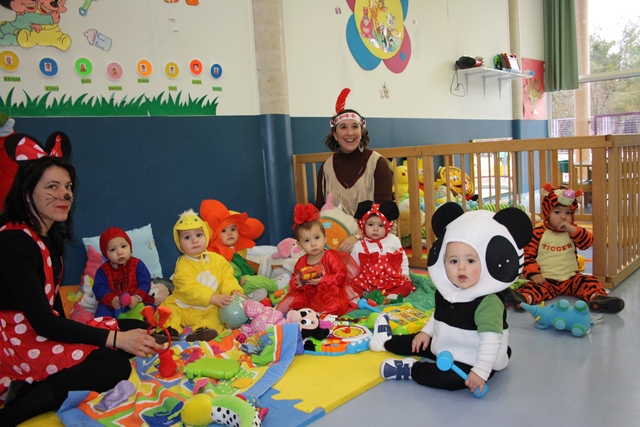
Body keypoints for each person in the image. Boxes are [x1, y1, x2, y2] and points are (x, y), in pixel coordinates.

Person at [0, 132, 161, 426]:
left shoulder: (48, 237)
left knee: (136, 325)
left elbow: (54, 311)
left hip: (42, 330)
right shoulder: (13, 242)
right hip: (17, 342)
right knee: (113, 364)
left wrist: (109, 335)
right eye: (52, 187)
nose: (64, 195)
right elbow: (43, 322)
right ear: (26, 192)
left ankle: (43, 380)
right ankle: (14, 412)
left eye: (68, 187)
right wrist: (114, 339)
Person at [369, 203, 532, 395]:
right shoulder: (448, 290)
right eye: (454, 261)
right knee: (417, 342)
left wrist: (480, 371)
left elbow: (490, 340)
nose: (461, 268)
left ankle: (411, 370)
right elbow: (439, 315)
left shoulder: (487, 301)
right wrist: (426, 333)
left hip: (472, 358)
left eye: (470, 261)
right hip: (446, 343)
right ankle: (387, 341)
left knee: (453, 379)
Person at [502, 184, 625, 314]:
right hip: (546, 280)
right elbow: (527, 255)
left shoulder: (573, 231)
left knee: (589, 281)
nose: (563, 217)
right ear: (547, 212)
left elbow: (587, 243)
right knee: (534, 289)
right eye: (557, 212)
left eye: (568, 213)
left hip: (572, 278)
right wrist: (533, 274)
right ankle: (522, 299)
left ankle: (598, 299)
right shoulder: (538, 233)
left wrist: (573, 230)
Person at [314, 88, 393, 252]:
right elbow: (320, 211)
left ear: (361, 131)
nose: (349, 133)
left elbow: (383, 212)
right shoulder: (326, 168)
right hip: (336, 240)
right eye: (343, 127)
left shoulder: (378, 163)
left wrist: (357, 236)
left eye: (354, 127)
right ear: (335, 134)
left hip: (374, 238)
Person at [160, 209, 244, 340]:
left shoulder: (217, 260)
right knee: (166, 309)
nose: (194, 240)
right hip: (182, 305)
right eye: (187, 237)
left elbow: (226, 278)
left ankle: (203, 331)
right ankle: (168, 331)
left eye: (199, 235)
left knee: (218, 315)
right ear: (179, 244)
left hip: (209, 308)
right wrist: (211, 297)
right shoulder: (183, 264)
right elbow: (187, 287)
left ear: (206, 236)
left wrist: (234, 291)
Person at [277, 203, 361, 316]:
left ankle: (319, 314)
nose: (313, 244)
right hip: (308, 294)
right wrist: (297, 281)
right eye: (307, 241)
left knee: (336, 305)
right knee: (284, 305)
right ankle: (279, 314)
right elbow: (294, 278)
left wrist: (323, 280)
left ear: (325, 238)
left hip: (329, 292)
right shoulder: (301, 261)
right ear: (300, 245)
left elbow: (341, 274)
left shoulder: (329, 256)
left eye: (317, 238)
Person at [351, 200, 415, 298]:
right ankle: (368, 296)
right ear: (362, 225)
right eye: (371, 225)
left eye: (380, 225)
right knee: (353, 287)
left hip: (390, 280)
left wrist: (404, 273)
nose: (375, 229)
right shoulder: (359, 246)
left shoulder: (393, 240)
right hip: (368, 282)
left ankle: (389, 296)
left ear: (387, 226)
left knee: (407, 286)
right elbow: (353, 266)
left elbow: (403, 258)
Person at [92, 227, 155, 318]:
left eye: (123, 246)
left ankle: (146, 322)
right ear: (106, 254)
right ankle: (111, 326)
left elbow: (145, 282)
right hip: (114, 305)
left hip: (136, 301)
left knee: (150, 309)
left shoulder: (137, 264)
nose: (120, 252)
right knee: (101, 313)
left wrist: (137, 297)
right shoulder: (103, 270)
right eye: (113, 250)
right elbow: (99, 288)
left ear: (130, 247)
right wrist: (111, 299)